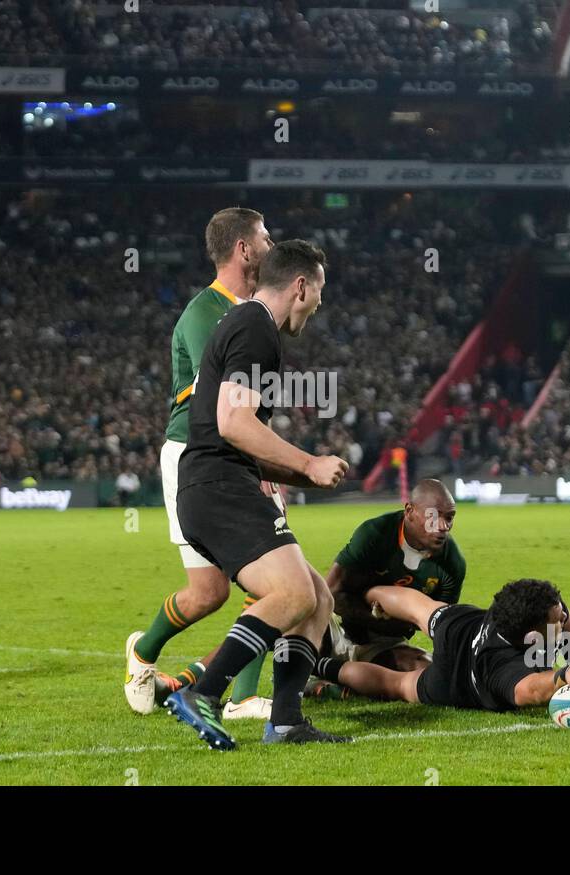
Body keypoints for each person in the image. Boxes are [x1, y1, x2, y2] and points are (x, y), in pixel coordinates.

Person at [165, 240, 351, 748]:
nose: (317, 306)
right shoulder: (255, 327)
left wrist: (304, 474)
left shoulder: (247, 324)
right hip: (217, 485)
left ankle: (287, 720)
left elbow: (240, 433)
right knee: (291, 594)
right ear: (300, 286)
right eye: (319, 293)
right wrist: (310, 461)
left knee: (316, 601)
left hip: (220, 482)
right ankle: (203, 691)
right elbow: (233, 423)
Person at [123, 207, 279, 719]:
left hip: (230, 457)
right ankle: (148, 653)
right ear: (243, 249)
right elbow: (220, 410)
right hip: (197, 457)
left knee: (243, 584)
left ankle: (235, 692)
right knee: (217, 591)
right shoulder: (207, 314)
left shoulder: (252, 311)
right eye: (265, 236)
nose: (272, 243)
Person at [313, 579, 570, 715]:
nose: (564, 616)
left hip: (463, 627)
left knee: (425, 611)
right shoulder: (504, 668)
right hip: (456, 680)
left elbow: (569, 624)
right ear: (531, 637)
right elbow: (531, 691)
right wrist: (567, 675)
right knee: (397, 685)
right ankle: (320, 665)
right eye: (556, 619)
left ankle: (362, 597)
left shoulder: (526, 609)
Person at [324, 479, 465, 673]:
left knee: (427, 669)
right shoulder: (375, 534)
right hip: (337, 630)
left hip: (386, 644)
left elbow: (442, 626)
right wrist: (375, 618)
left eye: (449, 517)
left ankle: (336, 677)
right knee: (301, 603)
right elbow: (330, 593)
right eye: (433, 516)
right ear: (409, 511)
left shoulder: (452, 564)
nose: (443, 526)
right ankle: (311, 674)